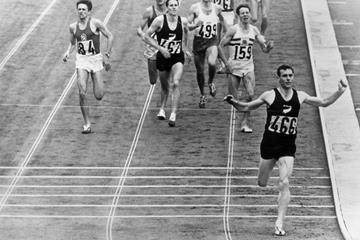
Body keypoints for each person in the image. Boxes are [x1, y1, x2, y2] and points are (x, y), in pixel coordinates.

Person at [224, 64, 348, 236]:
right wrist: (233, 102)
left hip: (287, 148)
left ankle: (279, 222)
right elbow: (246, 107)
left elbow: (324, 102)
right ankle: (273, 194)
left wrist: (339, 91)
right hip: (268, 145)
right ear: (279, 78)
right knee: (262, 183)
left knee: (285, 182)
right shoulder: (270, 95)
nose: (289, 78)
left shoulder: (300, 96)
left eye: (291, 75)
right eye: (285, 76)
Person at [218, 4, 272, 132]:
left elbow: (264, 48)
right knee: (234, 98)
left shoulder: (254, 30)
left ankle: (245, 122)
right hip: (234, 68)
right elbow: (219, 46)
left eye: (247, 12)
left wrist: (268, 47)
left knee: (251, 94)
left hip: (248, 67)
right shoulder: (233, 30)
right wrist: (226, 64)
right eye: (242, 13)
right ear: (238, 15)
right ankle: (238, 116)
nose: (246, 15)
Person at [63, 0, 113, 134]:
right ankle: (87, 123)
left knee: (99, 95)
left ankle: (97, 84)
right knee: (82, 91)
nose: (81, 11)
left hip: (95, 60)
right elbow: (73, 42)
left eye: (84, 9)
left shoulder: (96, 23)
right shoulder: (73, 27)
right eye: (79, 9)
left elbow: (110, 36)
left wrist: (107, 55)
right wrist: (68, 53)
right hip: (82, 61)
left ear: (89, 11)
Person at [143, 0, 191, 127]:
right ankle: (162, 108)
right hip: (163, 58)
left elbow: (187, 31)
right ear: (167, 7)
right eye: (171, 5)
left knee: (175, 82)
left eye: (176, 5)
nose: (174, 8)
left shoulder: (183, 21)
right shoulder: (159, 20)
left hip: (177, 57)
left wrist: (185, 48)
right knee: (164, 87)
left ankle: (173, 113)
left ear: (178, 6)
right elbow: (146, 36)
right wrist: (160, 48)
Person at [188, 0, 225, 108]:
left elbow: (221, 21)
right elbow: (188, 26)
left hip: (211, 40)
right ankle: (202, 95)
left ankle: (210, 82)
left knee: (212, 62)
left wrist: (222, 34)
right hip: (198, 42)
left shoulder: (217, 8)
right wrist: (195, 25)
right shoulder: (194, 8)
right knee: (200, 71)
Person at [137, 0, 168, 85]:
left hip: (166, 47)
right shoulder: (149, 11)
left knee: (166, 79)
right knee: (153, 80)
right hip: (152, 49)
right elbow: (139, 29)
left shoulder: (171, 10)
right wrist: (143, 35)